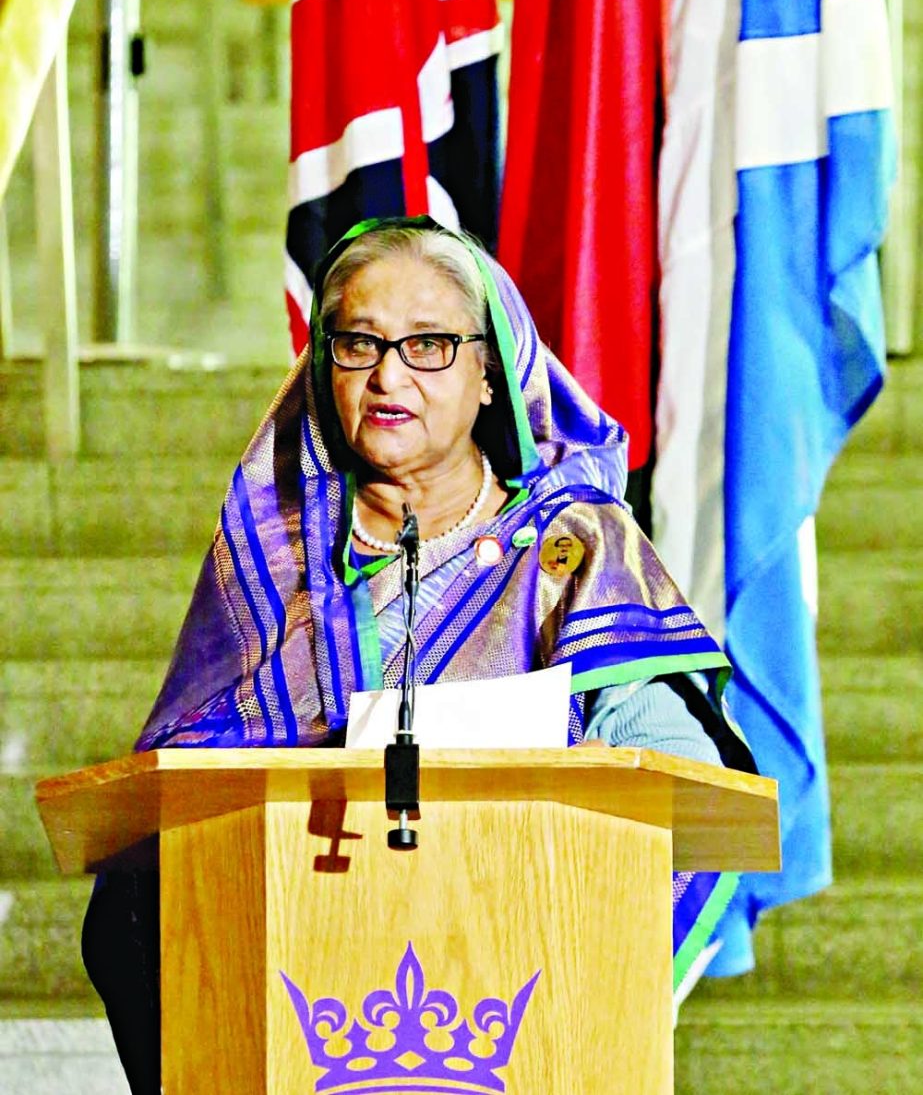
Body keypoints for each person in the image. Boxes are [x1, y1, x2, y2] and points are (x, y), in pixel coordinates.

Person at [83, 215, 755, 1092]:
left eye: (430, 343)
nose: (389, 373)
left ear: (490, 370)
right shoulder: (271, 558)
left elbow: (671, 776)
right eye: (358, 342)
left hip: (520, 960)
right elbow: (182, 787)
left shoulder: (572, 545)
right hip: (294, 967)